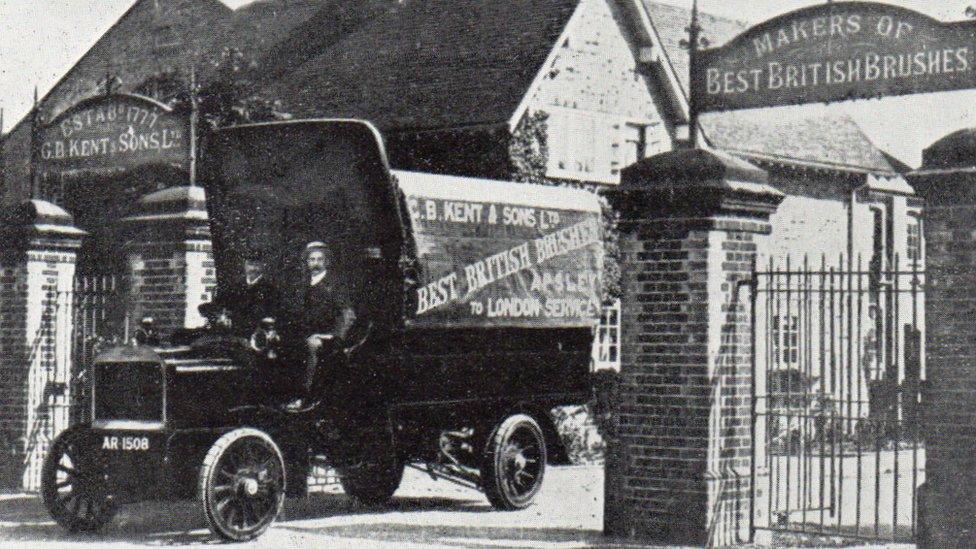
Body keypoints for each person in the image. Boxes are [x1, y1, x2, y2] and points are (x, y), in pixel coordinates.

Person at [287, 241, 356, 409]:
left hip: (327, 337)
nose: (315, 264)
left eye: (319, 259)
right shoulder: (303, 285)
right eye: (312, 260)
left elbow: (348, 315)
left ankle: (306, 397)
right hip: (304, 333)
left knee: (311, 346)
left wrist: (333, 336)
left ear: (326, 262)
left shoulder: (335, 285)